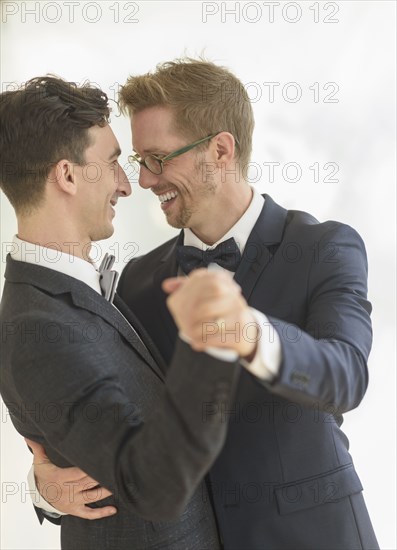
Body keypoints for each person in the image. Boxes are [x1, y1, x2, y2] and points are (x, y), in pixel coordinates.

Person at [31, 59, 379, 549]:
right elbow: (116, 424)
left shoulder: (325, 247)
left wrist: (251, 334)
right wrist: (45, 487)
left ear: (220, 150)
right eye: (138, 162)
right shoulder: (137, 281)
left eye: (158, 158)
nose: (145, 181)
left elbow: (345, 377)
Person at [0, 75, 264, 550]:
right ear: (66, 175)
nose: (128, 184)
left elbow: (94, 439)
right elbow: (152, 486)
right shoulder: (37, 328)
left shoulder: (75, 288)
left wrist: (45, 489)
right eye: (114, 163)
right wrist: (214, 344)